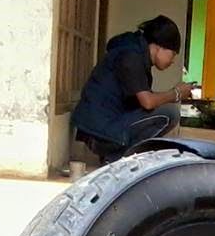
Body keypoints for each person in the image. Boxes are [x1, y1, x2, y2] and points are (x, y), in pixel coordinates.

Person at [72, 15, 194, 162]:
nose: (173, 60)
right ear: (158, 46)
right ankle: (119, 158)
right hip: (100, 133)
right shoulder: (131, 56)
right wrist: (176, 93)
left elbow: (144, 103)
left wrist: (172, 94)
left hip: (102, 129)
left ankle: (119, 156)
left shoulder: (135, 54)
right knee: (170, 113)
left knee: (159, 109)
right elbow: (147, 102)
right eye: (173, 54)